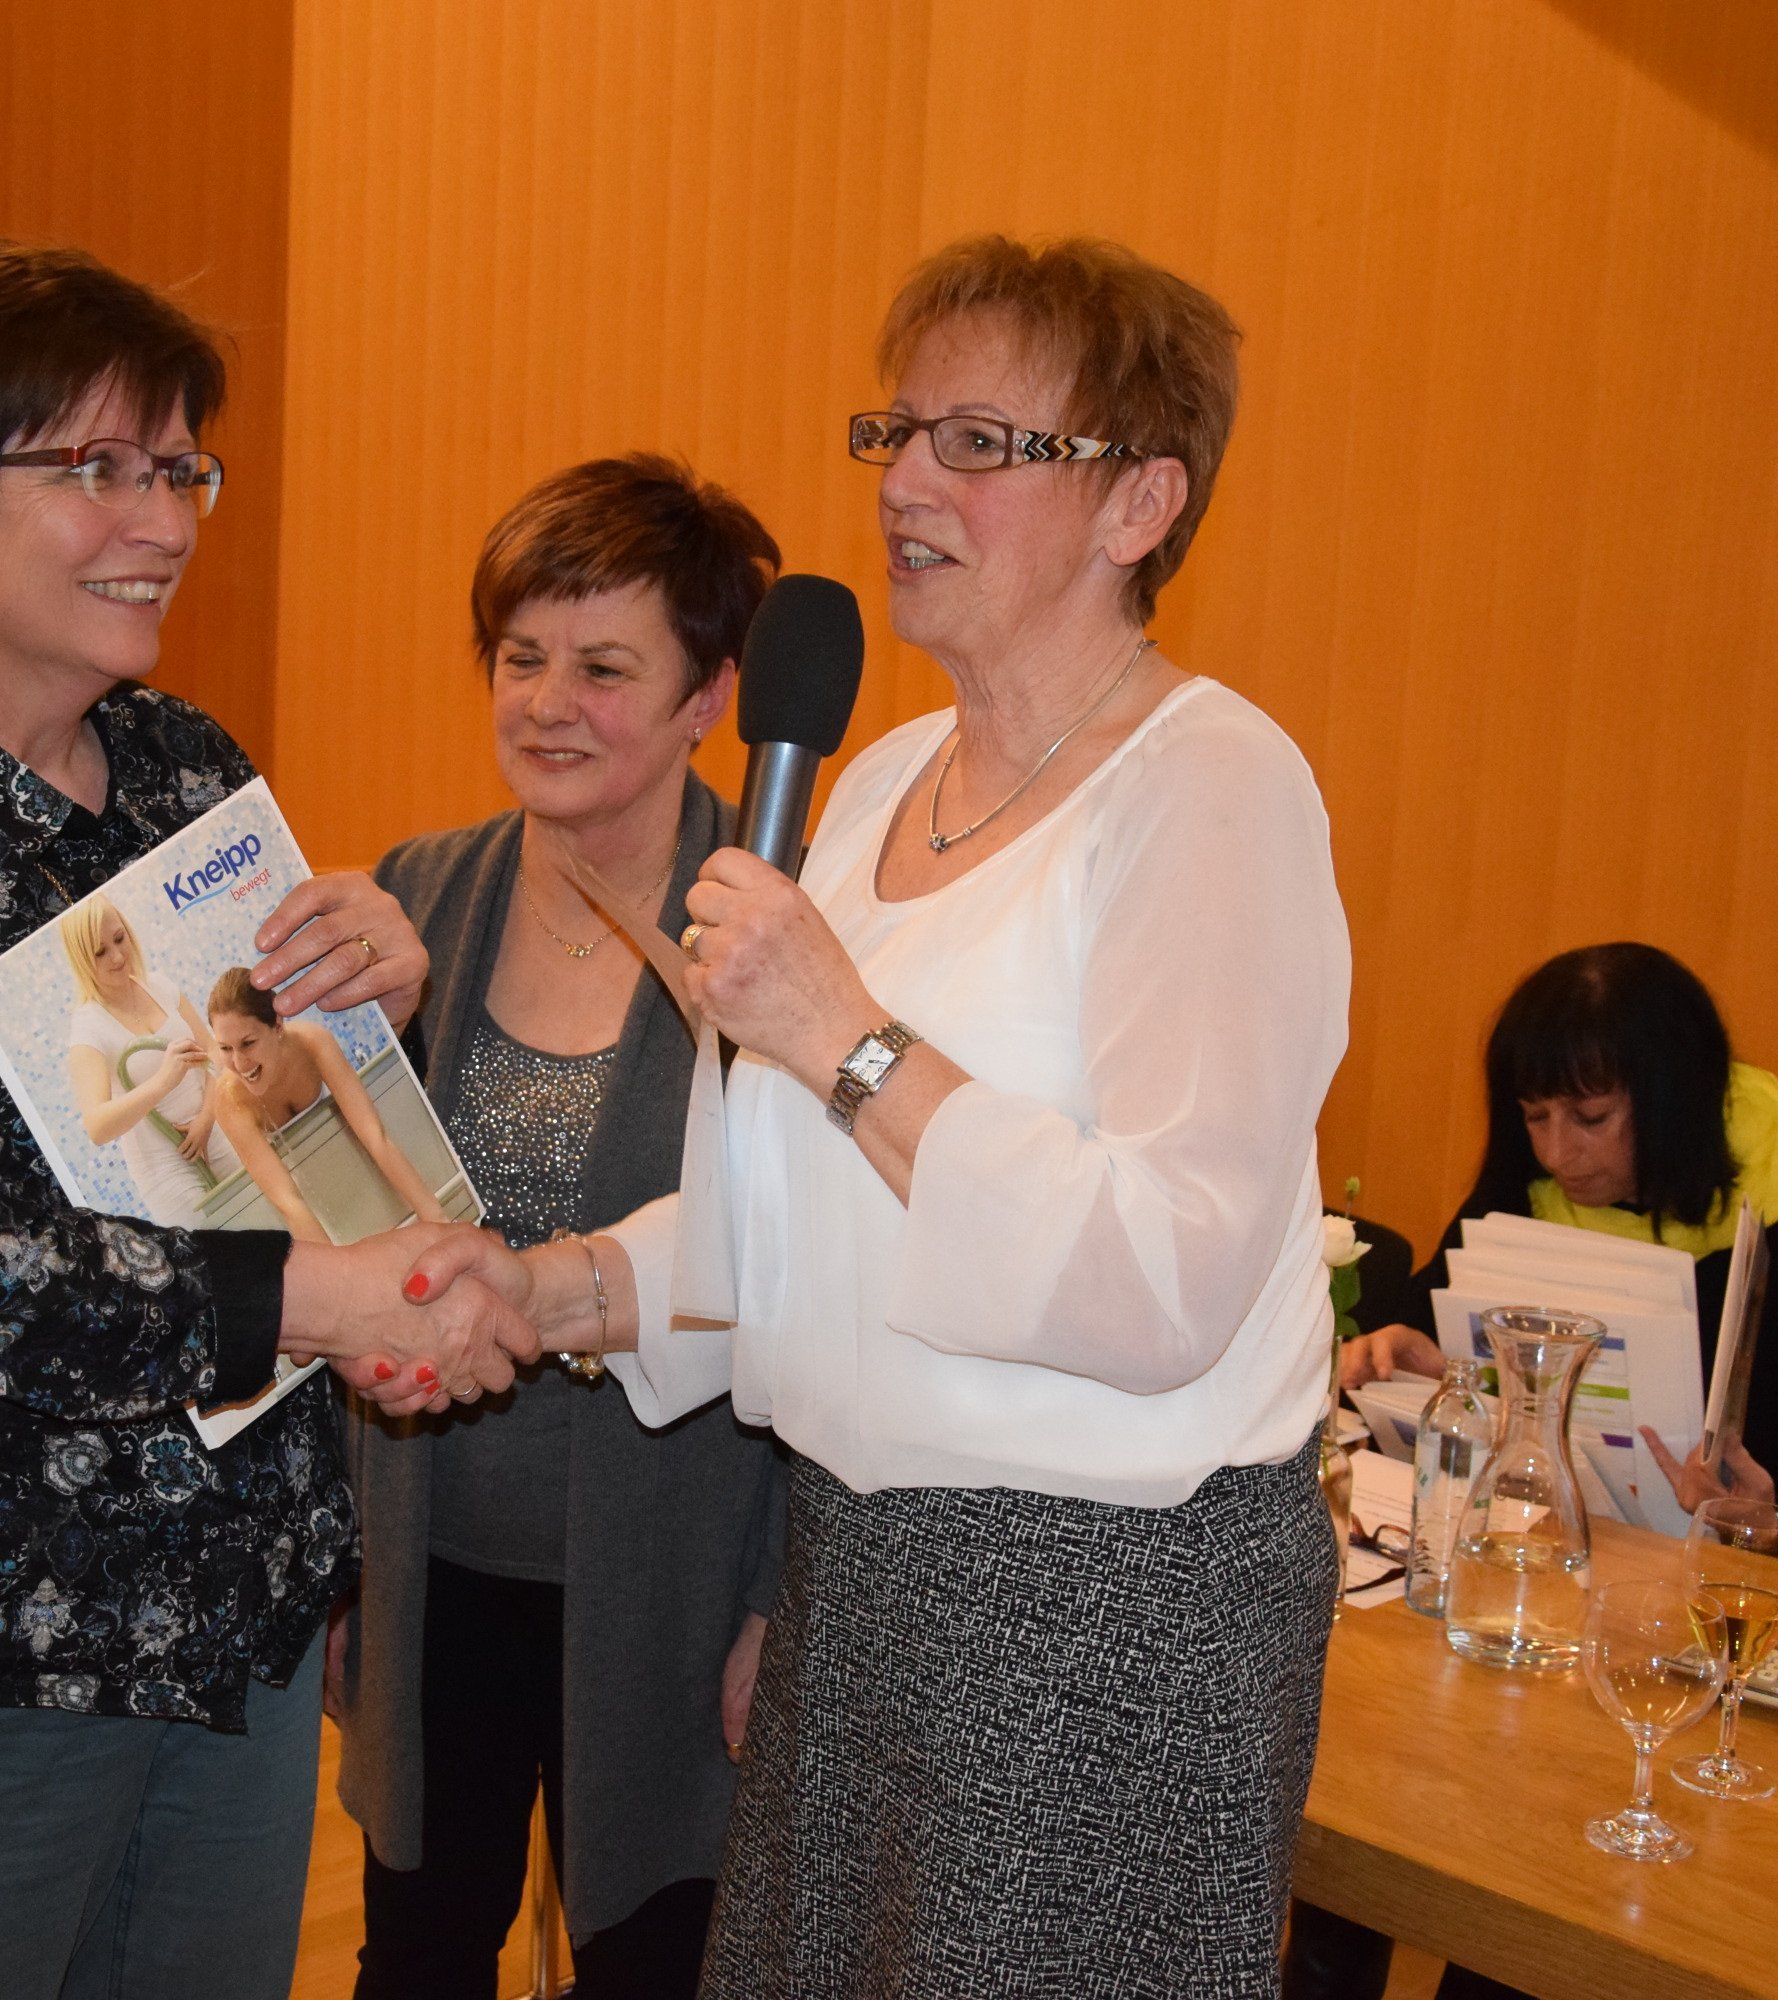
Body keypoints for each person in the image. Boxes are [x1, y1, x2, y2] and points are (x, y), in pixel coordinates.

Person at [409, 238, 1354, 1997]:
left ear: (1140, 501)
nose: (906, 481)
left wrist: (845, 1035)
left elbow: (1166, 1276)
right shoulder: (880, 785)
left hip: (1099, 1614)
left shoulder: (1212, 786)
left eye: (978, 444)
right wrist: (542, 1291)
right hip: (863, 1566)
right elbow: (788, 1234)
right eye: (896, 431)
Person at [0, 232, 533, 2000]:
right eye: (98, 470)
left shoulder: (185, 771)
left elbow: (261, 1134)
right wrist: (326, 1302)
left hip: (229, 1620)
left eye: (179, 469)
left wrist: (372, 1009)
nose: (165, 521)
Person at [1293, 941, 1778, 2000]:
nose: (1559, 1152)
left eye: (1591, 1117)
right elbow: (1456, 1354)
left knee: (1527, 1901)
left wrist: (1770, 1518)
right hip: (1545, 1626)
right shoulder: (1527, 1200)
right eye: (1534, 1116)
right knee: (1371, 1802)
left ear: (1671, 1099)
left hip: (1708, 1667)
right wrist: (1420, 1357)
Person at [338, 456, 792, 2000]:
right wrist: (333, 1569)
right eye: (520, 656)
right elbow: (336, 1233)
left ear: (708, 696)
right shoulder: (416, 897)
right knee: (416, 1958)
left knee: (654, 1963)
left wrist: (778, 1604)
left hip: (674, 1583)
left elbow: (820, 1292)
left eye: (604, 668)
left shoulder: (780, 937)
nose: (546, 703)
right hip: (430, 1560)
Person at [200, 967, 450, 1242]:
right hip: (307, 1211)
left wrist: (439, 1222)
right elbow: (288, 1200)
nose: (238, 1063)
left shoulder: (312, 1043)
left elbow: (376, 1137)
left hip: (348, 1174)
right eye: (225, 1048)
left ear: (278, 1025)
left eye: (248, 1043)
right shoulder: (229, 1100)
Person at [61, 895, 243, 1226]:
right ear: (82, 959)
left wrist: (206, 1118)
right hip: (163, 1168)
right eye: (100, 952)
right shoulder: (88, 1027)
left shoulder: (159, 986)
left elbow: (214, 1051)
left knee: (269, 1225)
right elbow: (97, 1127)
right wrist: (163, 1082)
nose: (118, 956)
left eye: (120, 939)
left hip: (215, 1128)